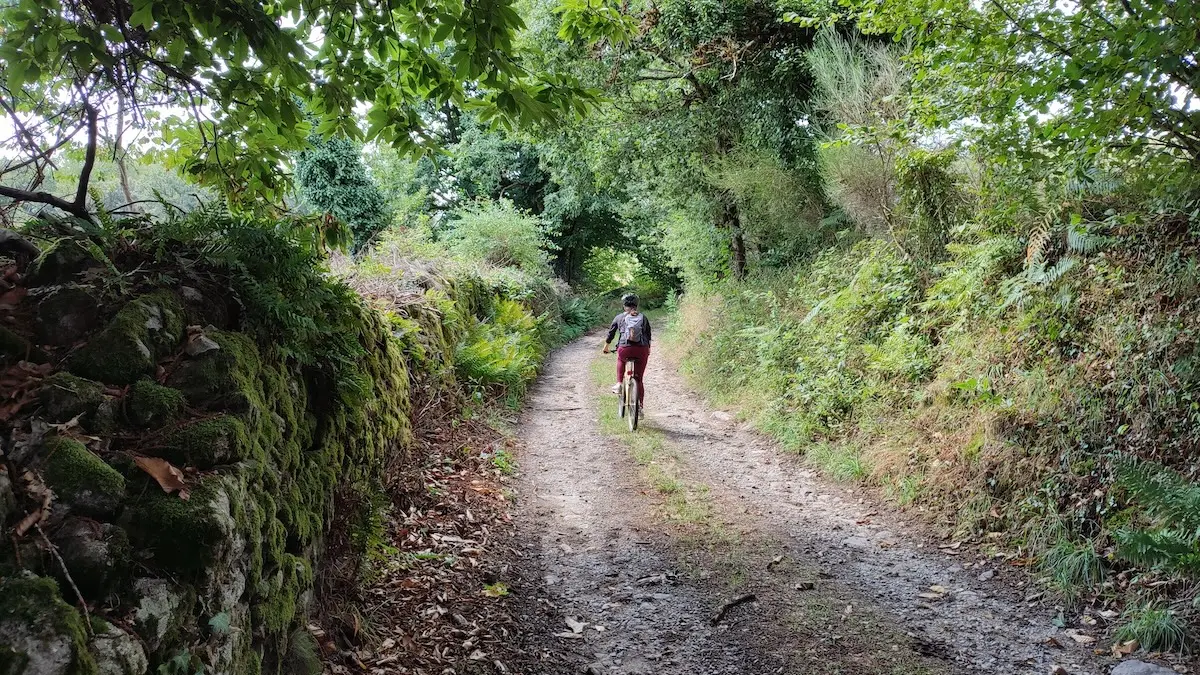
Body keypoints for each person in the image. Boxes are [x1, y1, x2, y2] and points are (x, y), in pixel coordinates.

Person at [602, 293, 651, 411]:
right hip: (642, 349)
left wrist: (606, 347)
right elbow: (648, 334)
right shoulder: (643, 317)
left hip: (625, 348)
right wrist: (648, 348)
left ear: (624, 306)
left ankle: (619, 383)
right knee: (639, 379)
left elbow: (611, 333)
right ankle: (640, 407)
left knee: (620, 359)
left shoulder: (619, 317)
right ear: (636, 305)